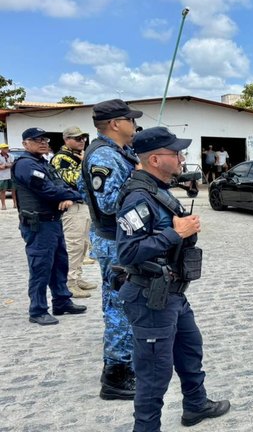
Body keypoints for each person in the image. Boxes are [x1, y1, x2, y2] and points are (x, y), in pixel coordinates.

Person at [116, 127, 230, 431]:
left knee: (190, 349)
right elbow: (127, 252)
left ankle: (195, 405)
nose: (181, 158)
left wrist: (182, 230)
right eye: (176, 153)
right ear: (155, 159)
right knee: (155, 374)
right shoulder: (138, 197)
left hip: (173, 293)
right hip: (150, 297)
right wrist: (175, 233)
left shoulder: (159, 189)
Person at [79, 99, 142, 400]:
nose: (135, 125)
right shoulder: (104, 155)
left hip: (120, 237)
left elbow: (84, 191)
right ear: (116, 123)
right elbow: (108, 203)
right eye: (131, 120)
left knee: (123, 300)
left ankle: (126, 361)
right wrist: (141, 180)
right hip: (114, 240)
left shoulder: (119, 152)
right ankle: (117, 374)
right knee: (119, 304)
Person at [11, 127, 87, 325]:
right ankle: (37, 310)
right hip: (38, 224)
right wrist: (74, 196)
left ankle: (61, 301)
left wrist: (67, 196)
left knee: (60, 264)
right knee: (41, 267)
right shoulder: (25, 164)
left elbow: (60, 184)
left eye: (44, 140)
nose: (43, 143)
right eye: (37, 140)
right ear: (25, 144)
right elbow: (47, 190)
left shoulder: (42, 162)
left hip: (53, 221)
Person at [51, 126, 97, 298]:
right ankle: (69, 283)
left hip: (83, 204)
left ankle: (76, 277)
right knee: (74, 245)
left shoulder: (77, 155)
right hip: (72, 207)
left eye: (83, 138)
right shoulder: (61, 158)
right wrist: (85, 163)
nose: (82, 141)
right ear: (66, 140)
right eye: (77, 138)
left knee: (83, 245)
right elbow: (72, 179)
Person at [1, 143, 17, 210]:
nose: (7, 149)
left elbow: (13, 165)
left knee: (14, 190)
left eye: (7, 148)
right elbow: (1, 167)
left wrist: (4, 165)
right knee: (3, 191)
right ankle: (3, 205)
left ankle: (15, 203)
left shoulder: (11, 156)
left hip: (11, 175)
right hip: (2, 176)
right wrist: (7, 165)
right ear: (1, 149)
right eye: (5, 148)